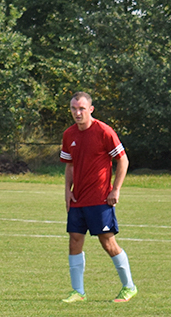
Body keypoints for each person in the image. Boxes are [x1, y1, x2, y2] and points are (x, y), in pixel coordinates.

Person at [60, 92, 137, 303]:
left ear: (90, 109)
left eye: (82, 108)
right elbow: (70, 165)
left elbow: (123, 161)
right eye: (74, 108)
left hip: (100, 199)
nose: (77, 112)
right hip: (78, 199)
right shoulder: (69, 135)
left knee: (107, 242)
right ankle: (78, 292)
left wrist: (116, 189)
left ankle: (129, 287)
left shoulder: (104, 131)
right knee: (74, 241)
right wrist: (68, 190)